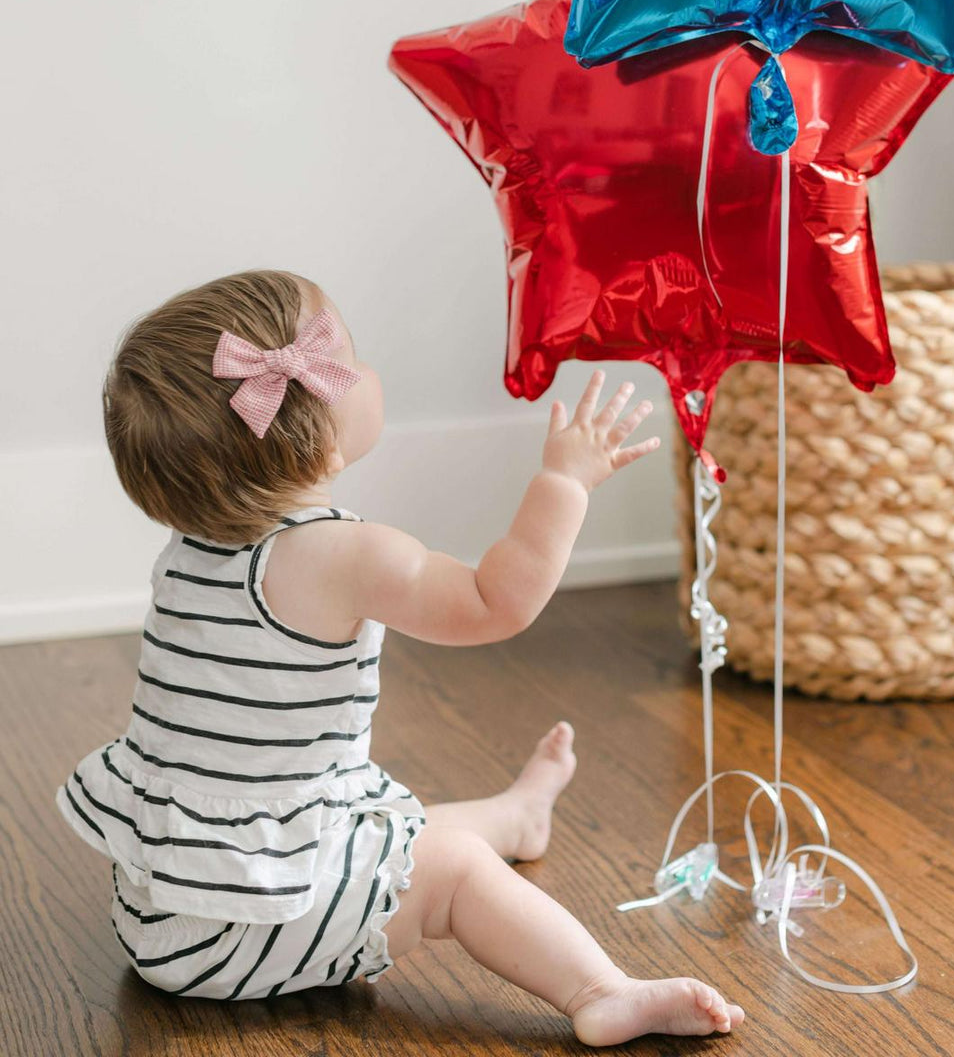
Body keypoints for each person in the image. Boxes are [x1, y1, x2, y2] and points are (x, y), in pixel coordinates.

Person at [55, 269, 745, 1046]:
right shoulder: (344, 556)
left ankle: (514, 818)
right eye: (350, 356)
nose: (370, 372)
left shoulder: (189, 551)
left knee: (384, 825)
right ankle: (600, 989)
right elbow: (496, 601)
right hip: (244, 937)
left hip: (165, 912)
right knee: (448, 870)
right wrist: (563, 483)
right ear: (309, 417)